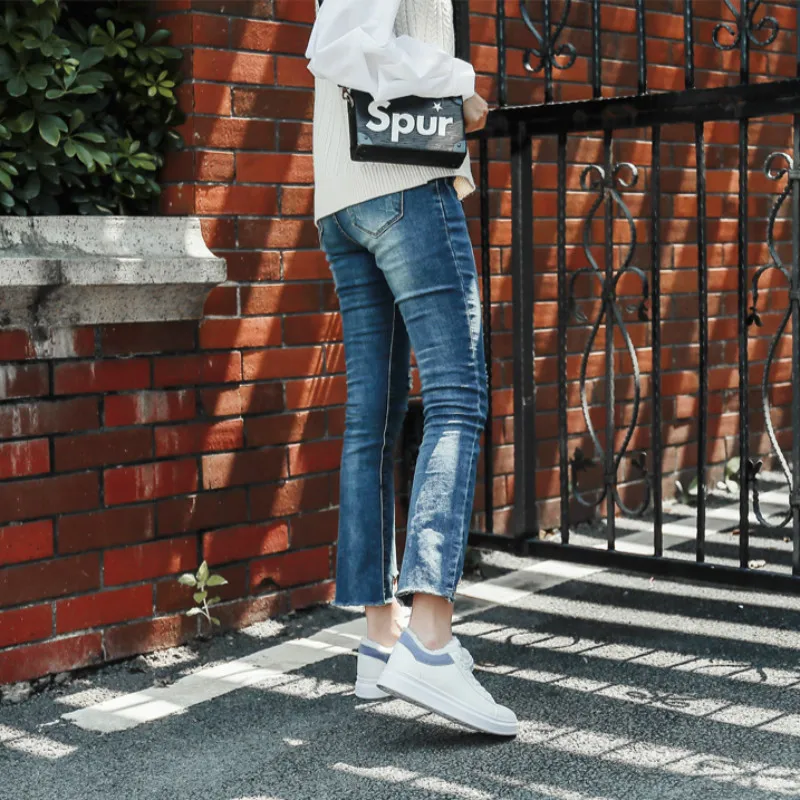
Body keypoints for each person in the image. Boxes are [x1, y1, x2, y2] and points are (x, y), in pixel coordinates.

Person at [306, 0, 517, 737]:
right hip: (403, 184)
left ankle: (381, 637)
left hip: (343, 197)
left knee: (374, 416)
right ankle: (429, 639)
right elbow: (339, 45)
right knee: (456, 399)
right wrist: (459, 83)